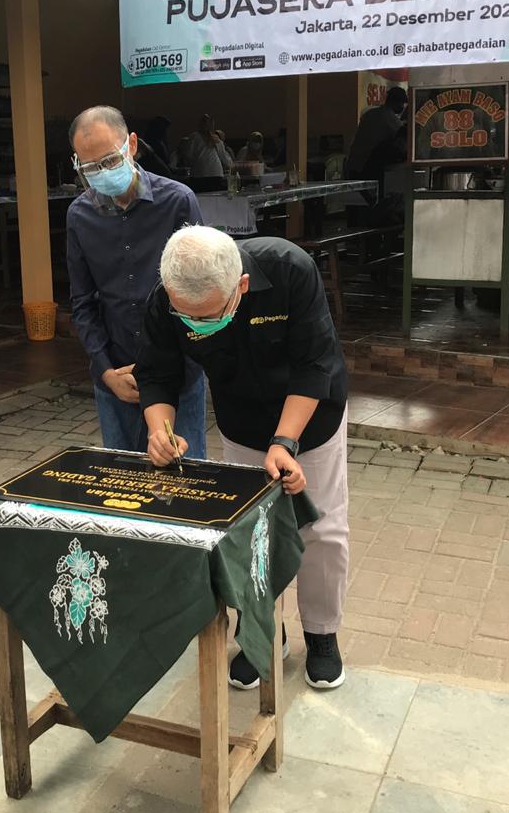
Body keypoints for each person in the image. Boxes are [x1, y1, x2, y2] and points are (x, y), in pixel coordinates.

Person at [136, 227, 350, 691]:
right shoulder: (168, 295)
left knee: (321, 530)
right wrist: (160, 431)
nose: (196, 327)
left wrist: (286, 442)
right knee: (250, 535)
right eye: (185, 316)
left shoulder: (291, 270)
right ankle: (261, 634)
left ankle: (322, 634)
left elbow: (316, 365)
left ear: (242, 287)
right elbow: (156, 373)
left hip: (310, 417)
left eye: (209, 316)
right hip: (241, 420)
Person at [66, 106, 207, 457]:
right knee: (122, 488)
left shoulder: (178, 201)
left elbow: (201, 291)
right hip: (116, 373)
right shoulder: (79, 216)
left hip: (177, 374)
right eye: (89, 168)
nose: (101, 173)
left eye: (109, 160)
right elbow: (82, 302)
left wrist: (175, 365)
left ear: (130, 145)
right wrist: (106, 370)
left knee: (185, 483)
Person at [345, 87, 408, 196]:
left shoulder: (371, 113)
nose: (402, 107)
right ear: (396, 102)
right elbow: (403, 135)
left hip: (353, 165)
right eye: (402, 104)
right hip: (366, 167)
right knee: (373, 203)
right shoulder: (388, 118)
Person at [185, 114, 233, 193]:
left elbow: (188, 155)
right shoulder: (216, 139)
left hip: (199, 174)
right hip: (216, 173)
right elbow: (224, 157)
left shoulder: (194, 137)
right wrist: (233, 166)